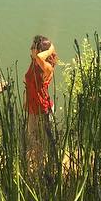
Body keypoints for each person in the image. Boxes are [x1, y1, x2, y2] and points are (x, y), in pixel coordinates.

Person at [24, 34, 58, 170]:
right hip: (32, 108)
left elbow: (39, 58)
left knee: (45, 142)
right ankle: (38, 166)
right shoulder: (34, 62)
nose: (31, 48)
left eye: (34, 47)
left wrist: (50, 49)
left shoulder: (47, 67)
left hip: (43, 110)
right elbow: (29, 82)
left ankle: (46, 169)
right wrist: (26, 102)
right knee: (33, 140)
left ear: (41, 52)